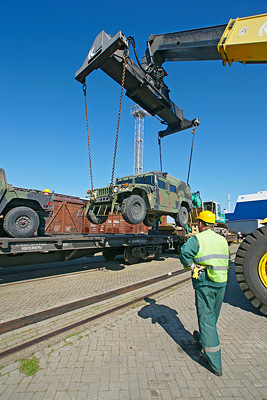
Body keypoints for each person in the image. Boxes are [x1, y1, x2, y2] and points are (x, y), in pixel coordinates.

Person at [179, 210, 230, 376]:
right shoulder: (222, 240)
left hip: (205, 283)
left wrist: (191, 266)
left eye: (198, 223)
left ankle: (215, 364)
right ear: (213, 224)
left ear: (201, 224)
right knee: (212, 316)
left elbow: (184, 253)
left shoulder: (198, 238)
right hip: (221, 283)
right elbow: (227, 259)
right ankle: (202, 339)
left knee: (206, 320)